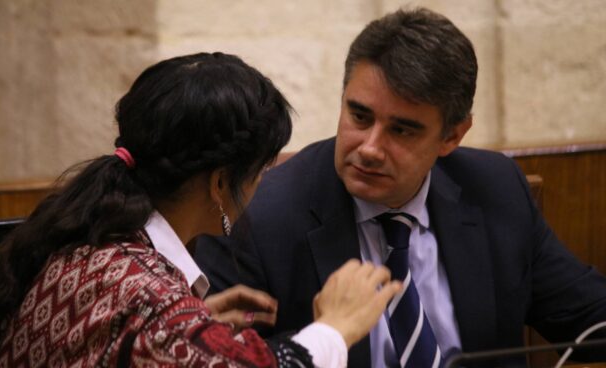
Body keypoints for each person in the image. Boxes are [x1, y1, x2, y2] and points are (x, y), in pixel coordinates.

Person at [195, 8, 606, 368]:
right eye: (359, 116)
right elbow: (216, 359)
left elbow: (590, 318)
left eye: (402, 130)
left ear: (452, 136)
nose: (370, 148)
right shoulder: (256, 214)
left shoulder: (496, 187)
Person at [0, 52, 403, 368]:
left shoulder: (79, 235)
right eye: (260, 170)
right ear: (218, 182)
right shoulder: (153, 308)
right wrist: (335, 327)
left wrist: (200, 326)